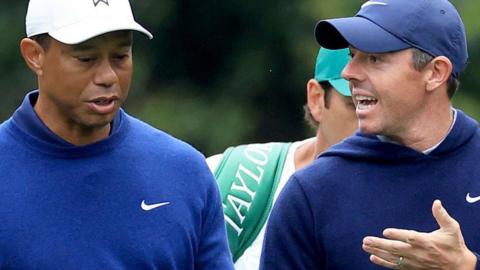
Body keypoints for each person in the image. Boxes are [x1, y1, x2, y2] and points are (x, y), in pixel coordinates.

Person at [0, 0, 233, 269]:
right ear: (34, 56)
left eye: (120, 56)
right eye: (86, 59)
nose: (108, 76)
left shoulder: (185, 172)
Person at [260, 0, 480, 269]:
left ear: (435, 73)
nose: (348, 73)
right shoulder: (312, 194)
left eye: (375, 59)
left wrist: (466, 266)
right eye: (353, 56)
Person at [207, 47, 358, 270]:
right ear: (316, 99)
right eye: (355, 104)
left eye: (378, 104)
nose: (371, 121)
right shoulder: (229, 175)